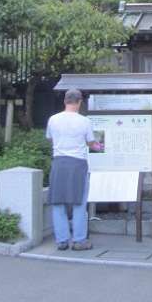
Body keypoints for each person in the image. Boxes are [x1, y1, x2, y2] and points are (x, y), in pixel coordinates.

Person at [46, 89, 102, 251]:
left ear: (65, 101)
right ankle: (79, 240)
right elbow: (91, 143)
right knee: (79, 203)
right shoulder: (84, 121)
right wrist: (101, 147)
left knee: (58, 203)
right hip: (78, 165)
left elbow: (50, 138)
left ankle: (62, 240)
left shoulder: (53, 119)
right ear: (79, 102)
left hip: (58, 163)